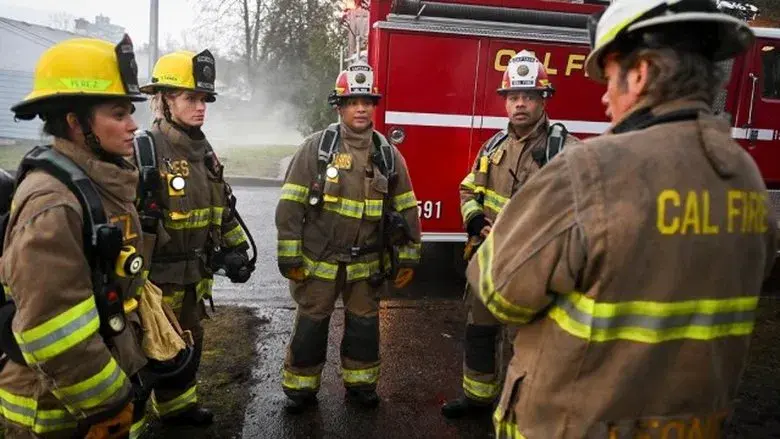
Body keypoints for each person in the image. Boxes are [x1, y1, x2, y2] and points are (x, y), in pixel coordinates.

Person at [467, 0, 777, 437]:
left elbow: (498, 292)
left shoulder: (587, 170)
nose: (604, 96)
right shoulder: (747, 178)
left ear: (642, 72)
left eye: (610, 77)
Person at [1, 35, 151, 438]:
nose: (133, 124)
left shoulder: (97, 180)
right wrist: (107, 403)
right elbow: (52, 330)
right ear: (76, 121)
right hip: (58, 411)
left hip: (92, 387)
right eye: (118, 113)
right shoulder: (54, 203)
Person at [275, 61, 422, 414]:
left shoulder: (387, 154)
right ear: (340, 106)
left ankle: (361, 385)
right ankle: (300, 387)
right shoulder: (316, 148)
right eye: (353, 101)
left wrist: (410, 253)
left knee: (364, 324)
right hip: (321, 258)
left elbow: (406, 207)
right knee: (312, 321)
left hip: (366, 262)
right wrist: (289, 255)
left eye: (367, 101)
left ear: (374, 106)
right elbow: (291, 204)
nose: (360, 108)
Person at [442, 50, 578, 419]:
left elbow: (583, 213)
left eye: (529, 96)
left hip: (534, 268)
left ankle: (525, 411)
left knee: (529, 344)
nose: (520, 104)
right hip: (489, 261)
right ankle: (477, 398)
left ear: (543, 99)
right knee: (480, 333)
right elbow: (470, 188)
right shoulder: (493, 147)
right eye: (514, 97)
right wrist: (473, 220)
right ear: (505, 102)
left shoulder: (564, 151)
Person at [136, 49, 252, 426]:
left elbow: (222, 208)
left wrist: (235, 248)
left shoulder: (204, 152)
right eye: (191, 98)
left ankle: (178, 410)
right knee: (143, 359)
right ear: (164, 100)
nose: (201, 107)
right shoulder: (145, 152)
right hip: (152, 286)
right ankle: (130, 426)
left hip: (193, 281)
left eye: (204, 99)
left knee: (189, 346)